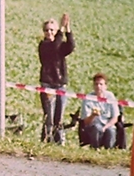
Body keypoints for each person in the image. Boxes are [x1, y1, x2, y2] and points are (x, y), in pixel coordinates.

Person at [38, 13, 75, 144]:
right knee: (49, 115)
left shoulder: (59, 45)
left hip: (60, 84)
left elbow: (70, 46)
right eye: (46, 30)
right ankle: (46, 139)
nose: (49, 32)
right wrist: (61, 30)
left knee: (59, 115)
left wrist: (68, 28)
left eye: (51, 30)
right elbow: (54, 47)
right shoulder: (44, 45)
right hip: (47, 83)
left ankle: (59, 141)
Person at [80, 73, 120, 149]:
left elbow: (115, 118)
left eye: (101, 84)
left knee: (111, 130)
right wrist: (92, 115)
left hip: (107, 124)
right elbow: (86, 122)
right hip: (93, 126)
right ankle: (95, 148)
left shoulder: (110, 96)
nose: (98, 86)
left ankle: (109, 151)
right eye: (96, 84)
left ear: (105, 86)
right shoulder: (88, 98)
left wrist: (105, 127)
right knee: (96, 128)